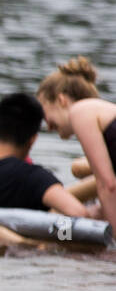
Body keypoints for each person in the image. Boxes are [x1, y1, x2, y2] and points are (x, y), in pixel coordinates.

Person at [37, 56, 116, 228]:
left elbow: (108, 185)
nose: (48, 126)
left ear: (61, 100)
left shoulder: (80, 111)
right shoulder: (101, 114)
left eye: (45, 115)